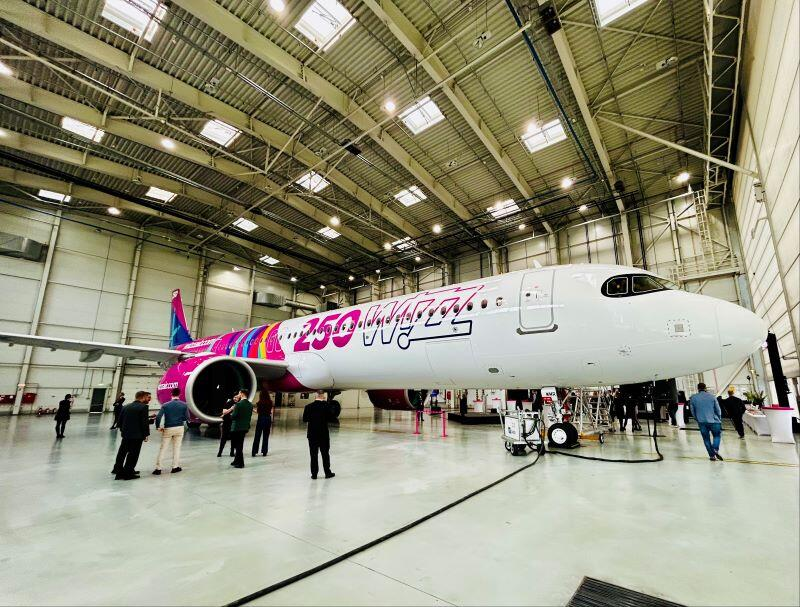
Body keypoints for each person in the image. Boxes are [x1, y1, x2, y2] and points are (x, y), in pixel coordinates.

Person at [112, 391, 151, 479]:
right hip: (137, 436)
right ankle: (128, 473)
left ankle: (118, 470)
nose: (148, 399)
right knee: (133, 454)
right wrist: (145, 435)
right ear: (143, 397)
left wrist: (123, 431)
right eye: (147, 397)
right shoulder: (144, 407)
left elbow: (119, 421)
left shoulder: (126, 406)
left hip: (126, 435)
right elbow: (143, 423)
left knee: (122, 453)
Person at [152, 388, 189, 475]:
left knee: (163, 448)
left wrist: (158, 427)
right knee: (177, 448)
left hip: (168, 428)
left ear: (171, 394)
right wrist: (180, 418)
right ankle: (175, 467)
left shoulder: (165, 405)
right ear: (179, 394)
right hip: (179, 428)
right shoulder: (184, 405)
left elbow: (158, 417)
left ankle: (158, 469)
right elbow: (187, 418)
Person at [303, 390, 334, 479]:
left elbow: (305, 419)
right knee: (325, 454)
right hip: (323, 434)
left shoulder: (308, 407)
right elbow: (332, 418)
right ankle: (327, 472)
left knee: (313, 454)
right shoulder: (327, 406)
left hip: (312, 434)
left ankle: (314, 474)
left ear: (315, 396)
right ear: (323, 396)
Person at [689, 383, 723, 461]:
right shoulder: (712, 396)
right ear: (705, 388)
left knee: (706, 439)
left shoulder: (693, 398)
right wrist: (719, 418)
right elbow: (718, 409)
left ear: (697, 388)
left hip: (702, 421)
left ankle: (711, 455)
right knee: (717, 436)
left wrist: (697, 418)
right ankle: (715, 449)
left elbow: (692, 411)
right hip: (714, 420)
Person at [223, 389, 253, 469]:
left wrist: (231, 413)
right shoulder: (250, 404)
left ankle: (241, 463)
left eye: (239, 393)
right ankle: (236, 461)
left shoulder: (238, 404)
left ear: (242, 394)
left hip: (237, 427)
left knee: (238, 446)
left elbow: (233, 416)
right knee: (240, 444)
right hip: (245, 427)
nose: (238, 394)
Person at [251, 390, 273, 457]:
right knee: (266, 436)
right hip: (268, 419)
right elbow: (271, 411)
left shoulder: (259, 403)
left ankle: (254, 451)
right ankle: (264, 451)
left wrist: (252, 409)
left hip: (261, 419)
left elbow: (258, 412)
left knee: (257, 435)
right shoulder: (270, 402)